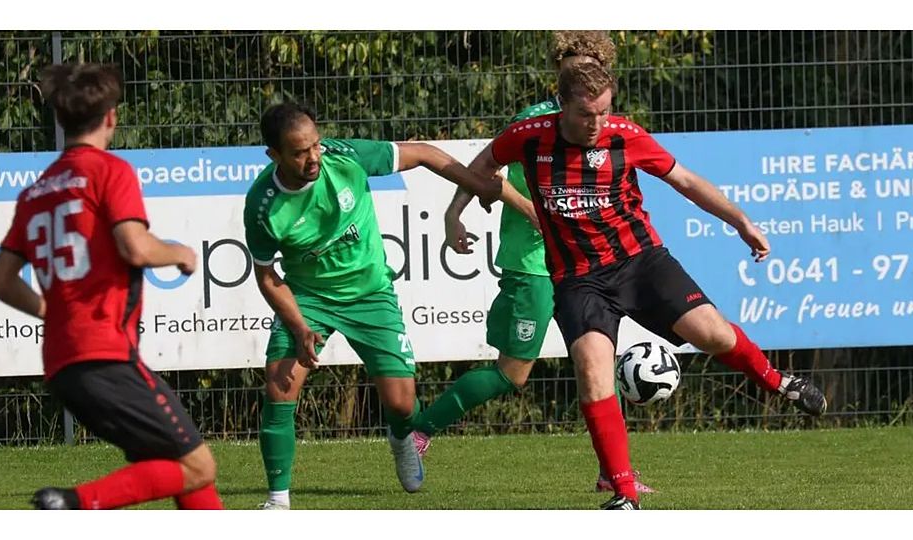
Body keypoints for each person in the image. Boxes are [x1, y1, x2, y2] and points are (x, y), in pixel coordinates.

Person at [465, 61, 827, 509]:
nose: (596, 123)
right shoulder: (529, 135)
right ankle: (624, 494)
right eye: (584, 114)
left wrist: (741, 222)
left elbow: (687, 181)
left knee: (713, 334)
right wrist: (461, 209)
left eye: (603, 111)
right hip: (579, 280)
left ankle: (778, 382)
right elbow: (481, 166)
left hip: (640, 263)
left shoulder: (625, 135)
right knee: (593, 369)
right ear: (562, 106)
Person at [416, 30, 654, 494]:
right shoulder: (535, 121)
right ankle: (419, 429)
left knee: (599, 362)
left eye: (592, 66)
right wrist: (456, 214)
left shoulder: (603, 125)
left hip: (590, 265)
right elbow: (488, 170)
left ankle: (615, 474)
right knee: (513, 373)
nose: (582, 74)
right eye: (574, 66)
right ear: (561, 72)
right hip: (535, 264)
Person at [246, 101, 502, 509]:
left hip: (370, 294)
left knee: (402, 404)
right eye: (298, 152)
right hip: (309, 298)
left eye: (315, 145)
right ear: (273, 155)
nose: (313, 157)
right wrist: (298, 326)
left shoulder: (345, 157)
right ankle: (278, 502)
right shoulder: (263, 205)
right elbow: (267, 277)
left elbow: (424, 153)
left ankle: (402, 437)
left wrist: (479, 184)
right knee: (279, 385)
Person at [0, 63, 223, 510]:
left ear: (60, 120)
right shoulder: (109, 171)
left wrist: (50, 312)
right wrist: (179, 253)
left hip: (62, 362)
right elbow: (134, 247)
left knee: (182, 472)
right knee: (200, 467)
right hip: (106, 355)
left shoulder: (35, 192)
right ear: (112, 117)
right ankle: (71, 505)